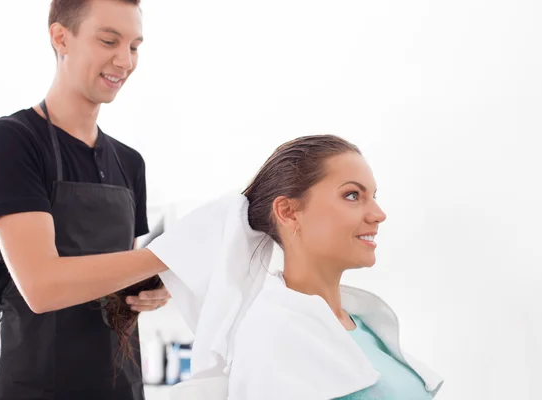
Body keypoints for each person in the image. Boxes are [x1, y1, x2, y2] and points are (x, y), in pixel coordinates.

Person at [142, 134, 445, 399]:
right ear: (288, 213)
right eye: (353, 195)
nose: (378, 214)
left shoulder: (362, 326)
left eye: (373, 197)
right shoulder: (271, 335)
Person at [0, 1, 169, 399]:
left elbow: (124, 274)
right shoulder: (12, 140)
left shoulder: (129, 163)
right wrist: (167, 257)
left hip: (119, 386)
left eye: (134, 46)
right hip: (31, 386)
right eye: (109, 40)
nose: (125, 60)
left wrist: (155, 288)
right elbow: (41, 286)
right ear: (60, 37)